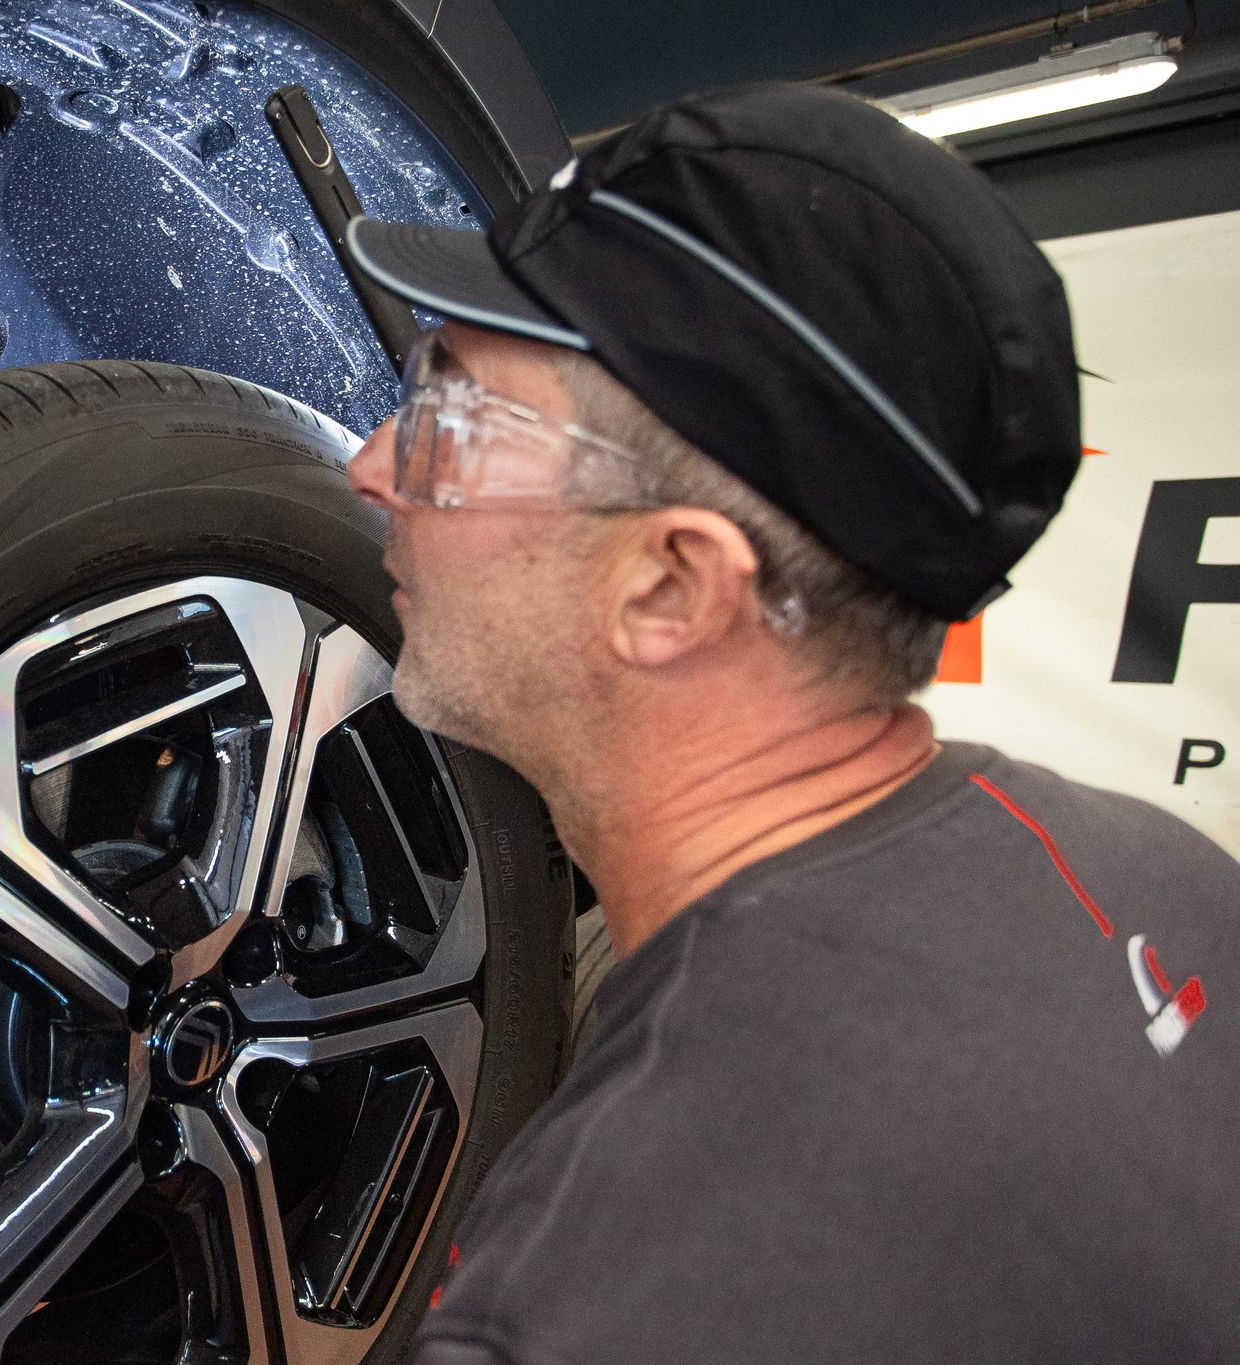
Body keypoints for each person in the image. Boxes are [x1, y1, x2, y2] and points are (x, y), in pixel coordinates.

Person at [342, 83, 1238, 1362]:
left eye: (447, 422)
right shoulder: (1152, 870)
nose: (369, 465)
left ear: (669, 586)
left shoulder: (615, 1278)